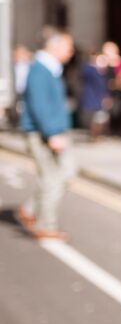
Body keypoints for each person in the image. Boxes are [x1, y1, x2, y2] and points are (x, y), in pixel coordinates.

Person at [17, 30, 77, 240]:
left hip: (53, 132)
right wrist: (52, 133)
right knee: (52, 178)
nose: (72, 52)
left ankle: (30, 209)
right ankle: (46, 225)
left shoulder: (49, 69)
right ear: (56, 47)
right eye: (69, 48)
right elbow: (38, 105)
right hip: (43, 134)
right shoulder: (40, 70)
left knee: (65, 173)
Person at [77, 49, 111, 139]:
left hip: (99, 97)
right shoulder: (89, 69)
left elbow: (104, 85)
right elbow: (83, 76)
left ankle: (97, 135)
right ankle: (94, 135)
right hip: (91, 97)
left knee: (100, 118)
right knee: (94, 118)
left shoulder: (102, 72)